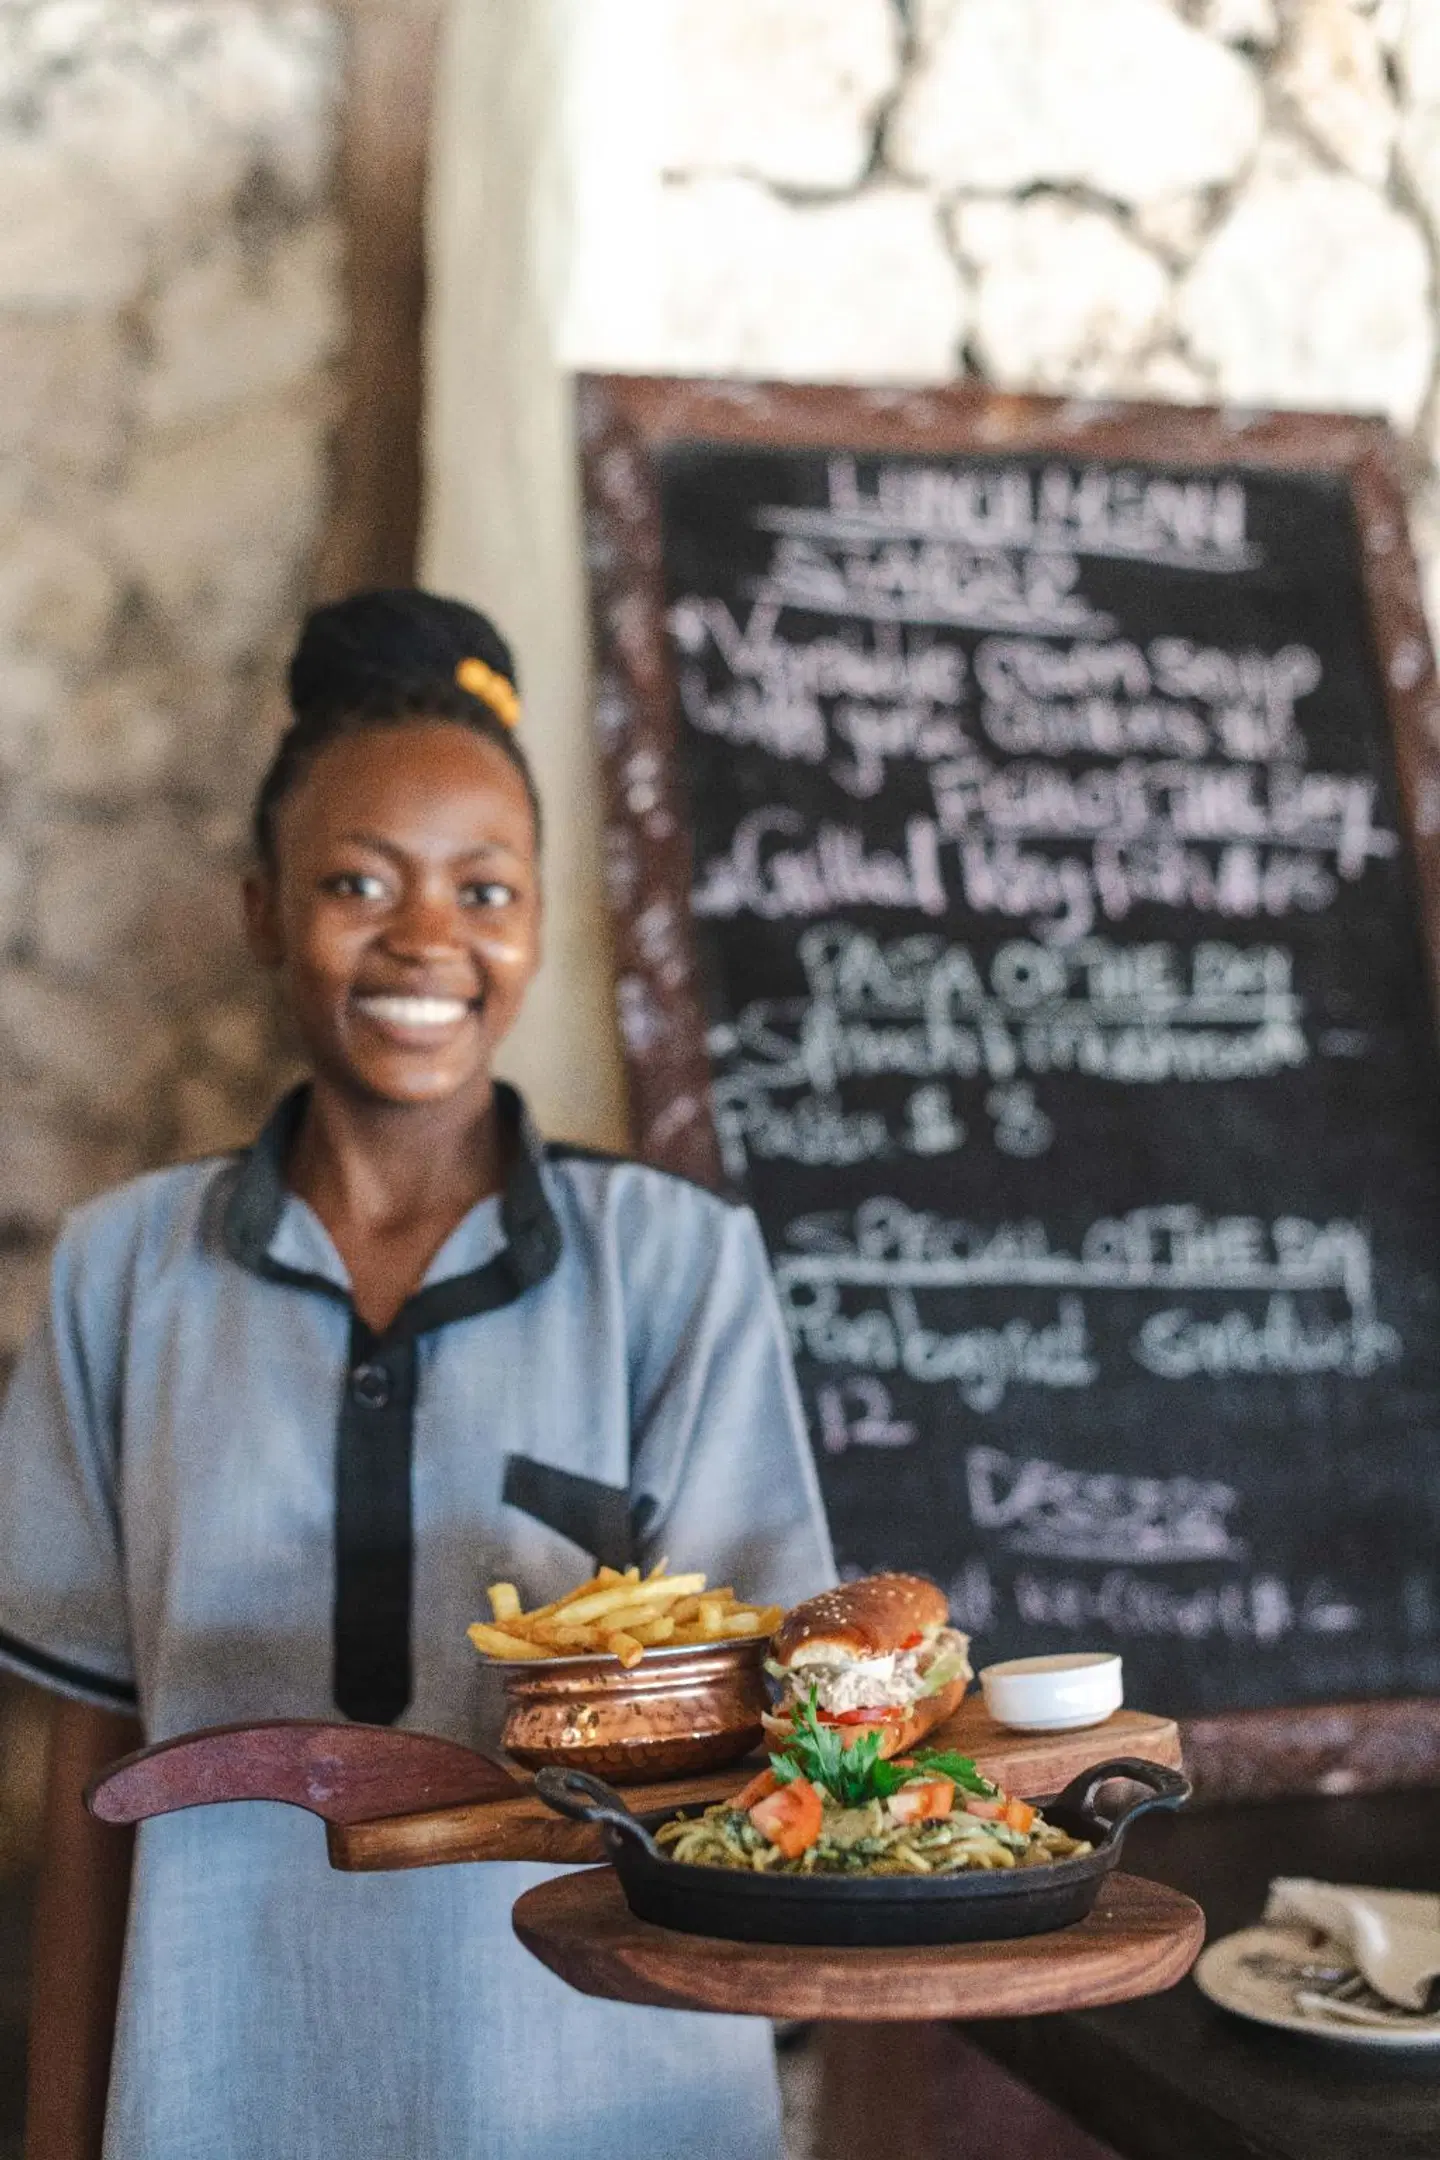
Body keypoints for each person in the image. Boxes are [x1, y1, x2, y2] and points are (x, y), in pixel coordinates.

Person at [0, 589, 835, 2160]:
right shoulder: (125, 1273)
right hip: (220, 2075)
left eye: (484, 887)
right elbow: (85, 1783)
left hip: (604, 2091)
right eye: (355, 881)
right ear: (262, 913)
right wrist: (59, 2130)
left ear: (537, 925)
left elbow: (764, 1745)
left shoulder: (675, 1268)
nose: (426, 938)